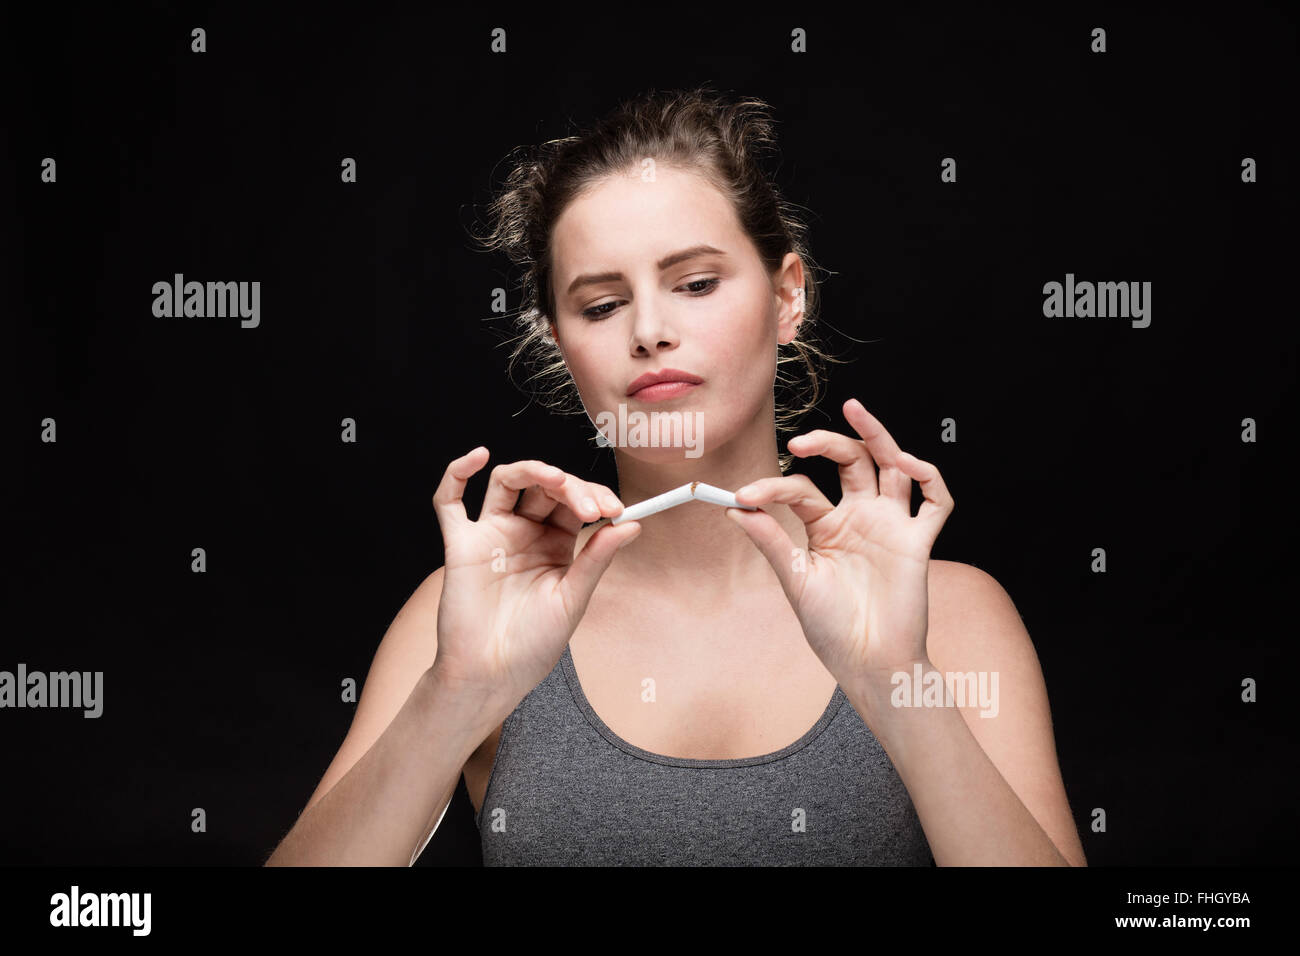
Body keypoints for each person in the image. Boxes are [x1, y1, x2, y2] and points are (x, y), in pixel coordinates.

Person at [265, 86, 1087, 867]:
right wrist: (457, 693)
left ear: (787, 296)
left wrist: (895, 681)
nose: (651, 330)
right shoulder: (472, 613)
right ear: (558, 340)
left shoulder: (956, 616)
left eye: (695, 284)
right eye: (599, 305)